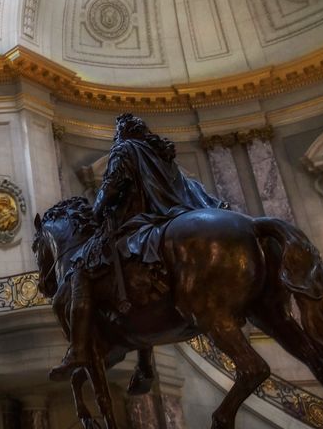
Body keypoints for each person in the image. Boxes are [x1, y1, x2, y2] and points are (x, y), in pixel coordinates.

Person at [50, 113, 227, 380]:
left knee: (81, 269)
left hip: (137, 223)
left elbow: (110, 187)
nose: (115, 137)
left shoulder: (125, 149)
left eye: (116, 132)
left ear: (122, 132)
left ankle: (77, 348)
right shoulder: (159, 153)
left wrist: (96, 212)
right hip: (168, 215)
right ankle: (143, 363)